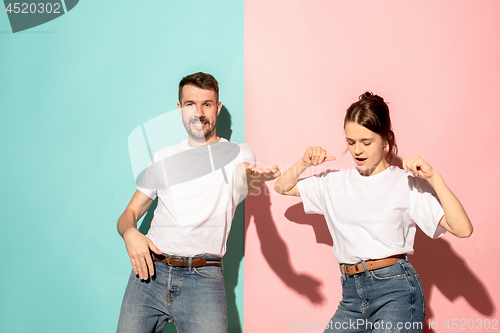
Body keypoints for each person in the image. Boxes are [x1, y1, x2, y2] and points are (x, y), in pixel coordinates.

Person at [274, 92, 473, 333]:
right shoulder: (334, 182)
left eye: (366, 142)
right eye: (350, 142)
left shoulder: (406, 183)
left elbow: (463, 229)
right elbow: (282, 187)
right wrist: (304, 162)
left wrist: (434, 178)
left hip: (395, 290)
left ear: (386, 138)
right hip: (351, 295)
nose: (358, 150)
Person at [116, 72, 280, 333]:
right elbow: (130, 213)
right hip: (150, 274)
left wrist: (251, 177)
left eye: (207, 104)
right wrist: (130, 233)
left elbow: (241, 176)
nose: (199, 112)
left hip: (203, 279)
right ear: (180, 109)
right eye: (190, 104)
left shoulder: (237, 152)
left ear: (218, 108)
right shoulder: (163, 157)